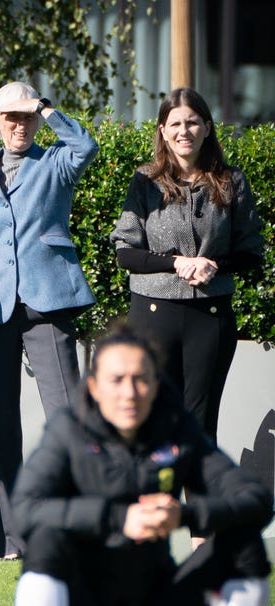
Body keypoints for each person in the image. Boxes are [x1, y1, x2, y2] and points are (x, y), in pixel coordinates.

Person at [9, 321, 275, 606]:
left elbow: (256, 500)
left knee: (242, 542)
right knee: (45, 539)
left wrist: (183, 516)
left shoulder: (177, 429)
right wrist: (117, 519)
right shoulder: (67, 430)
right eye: (117, 380)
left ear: (155, 384)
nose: (129, 392)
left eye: (140, 380)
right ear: (94, 387)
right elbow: (24, 511)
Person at [0, 81, 97, 560]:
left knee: (67, 421)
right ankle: (13, 542)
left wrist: (47, 107)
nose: (20, 125)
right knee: (1, 429)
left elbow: (86, 145)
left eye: (28, 117)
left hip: (49, 304)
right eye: (11, 117)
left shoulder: (56, 161)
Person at [110, 87, 264, 444]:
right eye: (175, 123)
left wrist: (213, 265)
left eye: (193, 122)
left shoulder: (232, 180)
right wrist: (175, 263)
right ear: (162, 130)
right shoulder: (145, 181)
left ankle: (197, 501)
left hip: (209, 317)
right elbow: (126, 251)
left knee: (200, 427)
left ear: (207, 128)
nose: (184, 131)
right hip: (153, 315)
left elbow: (252, 251)